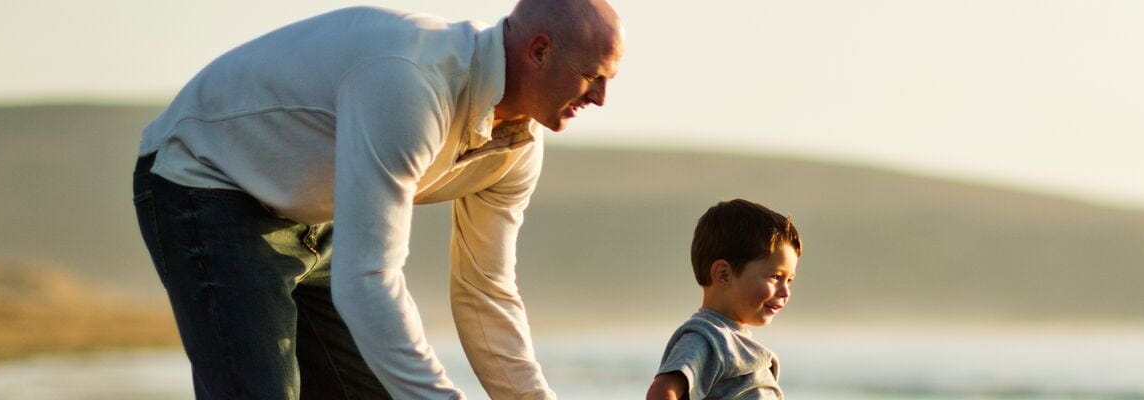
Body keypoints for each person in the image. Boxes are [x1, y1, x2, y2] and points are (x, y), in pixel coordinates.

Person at [129, 0, 620, 398]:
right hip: (206, 179)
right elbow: (367, 278)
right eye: (592, 76)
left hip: (316, 216)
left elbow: (485, 290)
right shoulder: (412, 83)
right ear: (539, 51)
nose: (600, 98)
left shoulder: (519, 146)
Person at [645, 200, 801, 400]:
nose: (785, 292)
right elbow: (661, 392)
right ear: (724, 275)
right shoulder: (706, 338)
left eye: (789, 280)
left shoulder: (733, 340)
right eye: (775, 277)